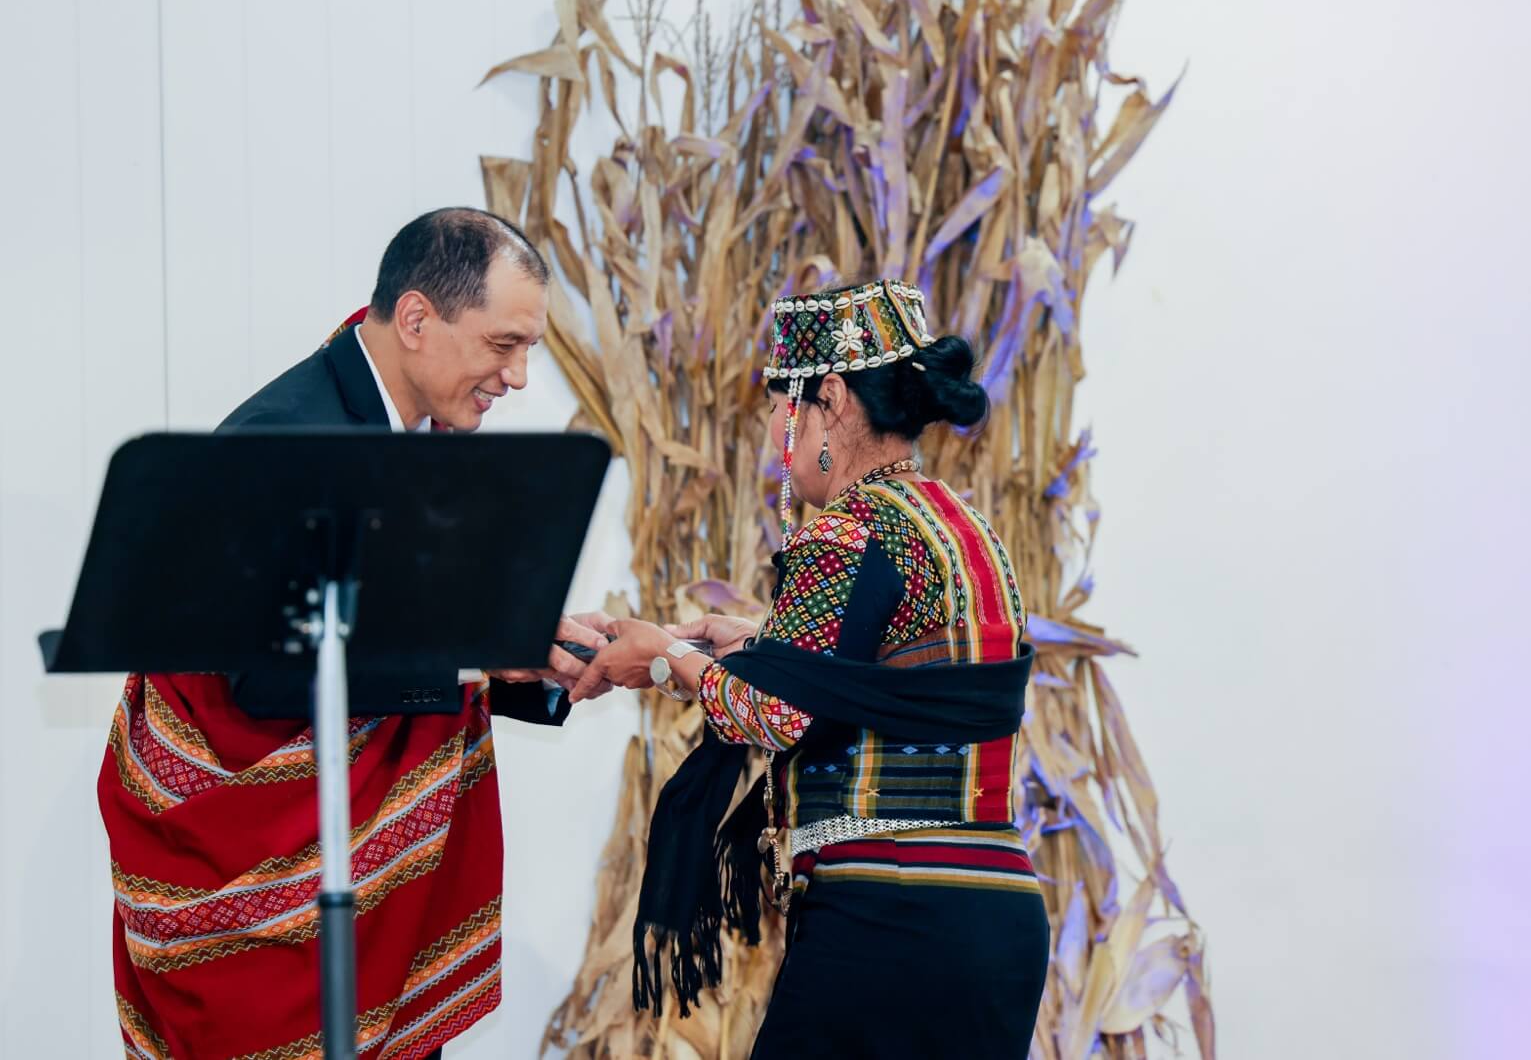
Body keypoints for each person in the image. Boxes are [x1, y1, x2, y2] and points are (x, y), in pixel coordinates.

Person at [99, 207, 609, 1060]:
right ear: (416, 319)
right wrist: (471, 653)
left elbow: (413, 627)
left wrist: (543, 652)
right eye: (504, 344)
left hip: (368, 878)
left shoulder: (420, 432)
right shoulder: (284, 441)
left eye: (529, 349)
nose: (519, 377)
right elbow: (263, 679)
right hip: (266, 882)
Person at [570, 278, 1048, 1059]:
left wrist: (666, 658)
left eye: (777, 407)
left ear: (830, 397)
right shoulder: (966, 530)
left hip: (888, 916)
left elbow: (777, 714)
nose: (773, 437)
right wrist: (757, 645)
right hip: (998, 917)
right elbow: (885, 681)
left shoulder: (848, 530)